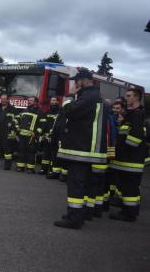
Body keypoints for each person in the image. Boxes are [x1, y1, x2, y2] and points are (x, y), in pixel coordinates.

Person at [54, 69, 108, 229]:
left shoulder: (89, 97)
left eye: (76, 81)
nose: (74, 84)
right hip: (87, 149)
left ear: (84, 80)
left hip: (82, 150)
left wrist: (69, 96)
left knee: (76, 185)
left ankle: (74, 219)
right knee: (83, 184)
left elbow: (69, 111)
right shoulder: (94, 96)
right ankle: (77, 214)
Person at [110, 88, 146, 222]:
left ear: (137, 97)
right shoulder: (131, 114)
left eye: (129, 96)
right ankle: (128, 211)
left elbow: (135, 138)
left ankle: (129, 214)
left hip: (130, 160)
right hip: (128, 160)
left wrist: (124, 150)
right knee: (128, 187)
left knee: (130, 187)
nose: (126, 98)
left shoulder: (136, 115)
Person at [16, 96, 44, 173]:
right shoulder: (24, 110)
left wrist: (36, 132)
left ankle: (30, 168)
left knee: (31, 152)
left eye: (31, 101)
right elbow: (18, 120)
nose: (29, 102)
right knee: (21, 151)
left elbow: (42, 125)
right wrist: (17, 131)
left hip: (32, 136)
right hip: (22, 136)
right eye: (28, 100)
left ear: (35, 102)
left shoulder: (39, 112)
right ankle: (20, 167)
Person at [39, 97, 60, 175]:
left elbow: (59, 125)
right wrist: (42, 134)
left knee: (53, 155)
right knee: (46, 154)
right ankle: (44, 169)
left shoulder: (60, 112)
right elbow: (44, 124)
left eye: (54, 100)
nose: (52, 102)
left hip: (54, 137)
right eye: (51, 100)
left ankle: (52, 170)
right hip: (47, 137)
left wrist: (53, 135)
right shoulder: (47, 112)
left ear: (58, 102)